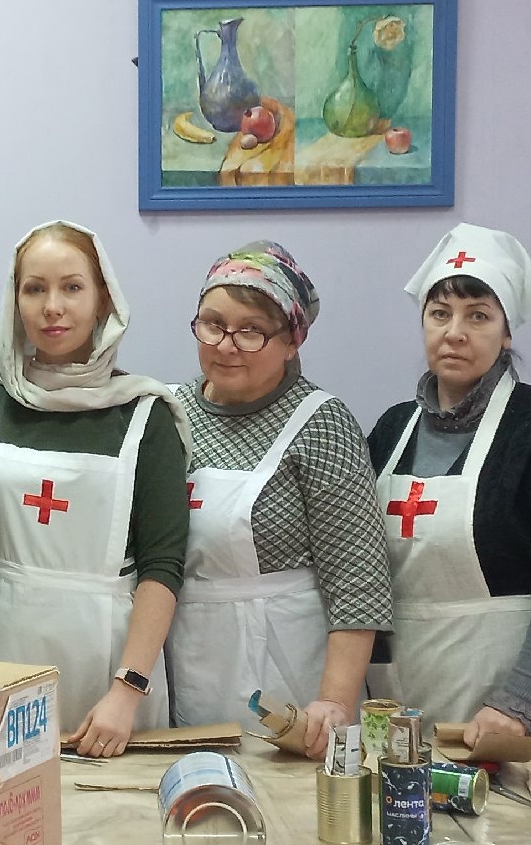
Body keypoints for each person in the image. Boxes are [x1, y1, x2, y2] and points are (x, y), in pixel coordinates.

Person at [367, 225, 531, 745]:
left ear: (507, 332)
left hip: (520, 706)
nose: (455, 332)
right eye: (440, 314)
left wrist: (518, 701)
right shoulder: (391, 429)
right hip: (410, 690)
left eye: (478, 315)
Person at [0, 222, 188, 757]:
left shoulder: (144, 414)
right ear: (14, 299)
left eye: (72, 287)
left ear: (103, 298)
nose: (52, 307)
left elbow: (163, 565)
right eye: (34, 288)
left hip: (107, 668)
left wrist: (127, 690)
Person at [167, 243, 391, 752]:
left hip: (293, 676)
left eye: (251, 331)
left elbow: (359, 580)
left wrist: (334, 701)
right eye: (212, 324)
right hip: (187, 660)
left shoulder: (321, 423)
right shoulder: (168, 412)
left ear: (292, 341)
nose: (226, 345)